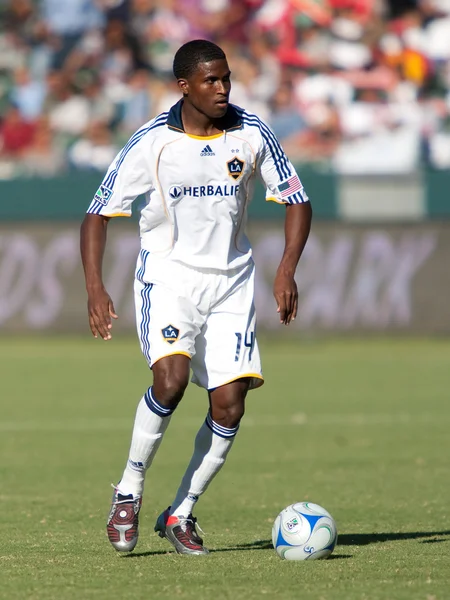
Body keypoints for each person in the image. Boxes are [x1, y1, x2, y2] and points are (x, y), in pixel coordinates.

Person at [80, 39, 312, 556]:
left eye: (226, 78)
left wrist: (286, 270)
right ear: (184, 86)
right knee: (172, 378)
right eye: (211, 80)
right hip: (169, 276)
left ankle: (180, 513)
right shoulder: (150, 143)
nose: (223, 88)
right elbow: (97, 212)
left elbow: (297, 199)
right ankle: (128, 492)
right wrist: (95, 286)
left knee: (230, 406)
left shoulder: (252, 133)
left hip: (231, 281)